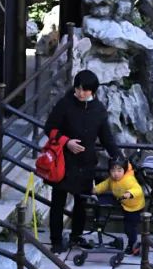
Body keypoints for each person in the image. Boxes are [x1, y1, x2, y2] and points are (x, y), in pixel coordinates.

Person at [44, 68, 120, 252]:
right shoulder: (65, 104)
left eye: (84, 90)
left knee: (81, 203)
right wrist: (66, 141)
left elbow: (106, 137)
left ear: (92, 91)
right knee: (58, 202)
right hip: (64, 160)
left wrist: (117, 156)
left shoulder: (99, 109)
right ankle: (56, 240)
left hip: (86, 162)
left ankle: (76, 236)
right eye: (77, 88)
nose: (79, 93)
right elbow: (50, 128)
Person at [94, 155, 145, 254]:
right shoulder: (112, 179)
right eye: (113, 171)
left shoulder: (128, 180)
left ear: (124, 170)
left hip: (134, 207)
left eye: (119, 170)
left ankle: (132, 245)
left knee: (130, 227)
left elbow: (138, 190)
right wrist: (95, 189)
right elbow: (105, 184)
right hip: (121, 200)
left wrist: (130, 193)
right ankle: (99, 219)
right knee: (101, 200)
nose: (115, 174)